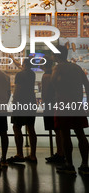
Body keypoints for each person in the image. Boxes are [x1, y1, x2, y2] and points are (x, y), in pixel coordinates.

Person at [52, 45, 89, 175]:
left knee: (65, 135)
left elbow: (53, 85)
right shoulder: (77, 68)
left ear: (56, 55)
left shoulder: (57, 68)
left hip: (63, 103)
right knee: (81, 134)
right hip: (77, 103)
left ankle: (69, 164)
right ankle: (85, 164)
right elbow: (87, 85)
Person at [8, 58, 37, 163]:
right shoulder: (32, 74)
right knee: (31, 128)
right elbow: (21, 67)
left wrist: (14, 103)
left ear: (24, 64)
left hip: (20, 103)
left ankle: (20, 153)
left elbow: (18, 89)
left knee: (16, 127)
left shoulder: (20, 75)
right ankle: (33, 155)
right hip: (31, 102)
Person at [41, 56, 64, 163]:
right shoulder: (55, 74)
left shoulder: (46, 76)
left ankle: (60, 153)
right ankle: (61, 152)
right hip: (57, 103)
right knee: (59, 130)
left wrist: (44, 103)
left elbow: (45, 93)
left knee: (56, 130)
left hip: (50, 105)